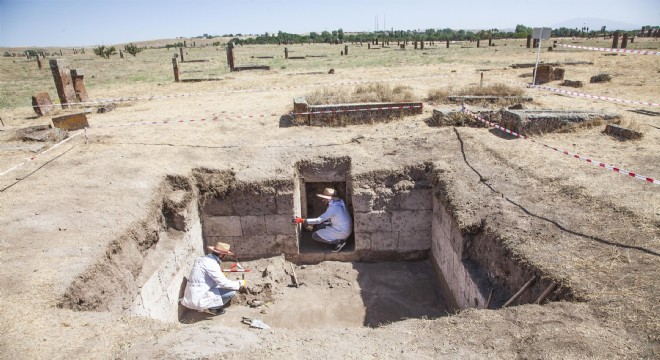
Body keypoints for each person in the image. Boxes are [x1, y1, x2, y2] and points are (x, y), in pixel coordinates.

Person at [180, 242, 247, 315]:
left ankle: (211, 306)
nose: (224, 257)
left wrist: (220, 275)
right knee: (231, 292)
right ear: (221, 255)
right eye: (225, 255)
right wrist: (239, 283)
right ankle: (212, 308)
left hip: (193, 294)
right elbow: (224, 283)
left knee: (221, 287)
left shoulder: (202, 259)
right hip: (198, 297)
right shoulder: (211, 264)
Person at [293, 188, 353, 252]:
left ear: (328, 199)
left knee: (315, 235)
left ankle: (338, 242)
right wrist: (314, 223)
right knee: (319, 226)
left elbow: (319, 220)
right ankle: (339, 238)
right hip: (345, 229)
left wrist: (302, 220)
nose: (322, 200)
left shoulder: (333, 208)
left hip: (341, 232)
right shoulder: (339, 203)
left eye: (324, 198)